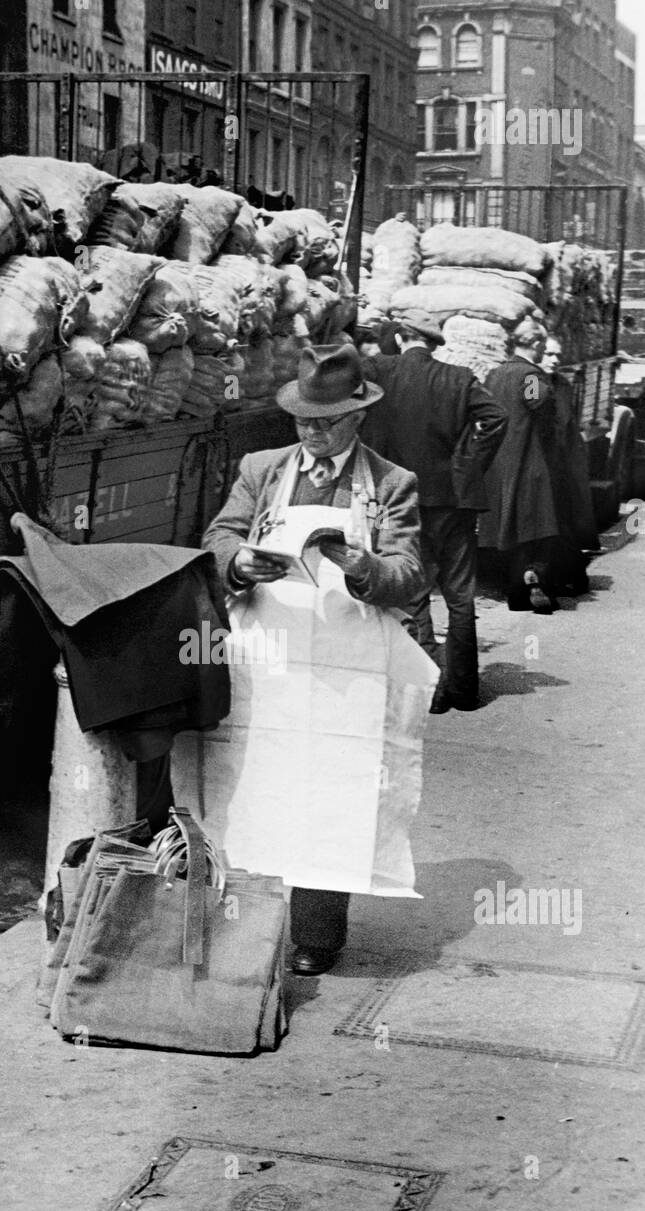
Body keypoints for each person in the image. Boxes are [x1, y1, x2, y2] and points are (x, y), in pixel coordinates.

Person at [199, 342, 434, 976]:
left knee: (333, 790)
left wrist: (366, 568)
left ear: (358, 417)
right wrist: (238, 562)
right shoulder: (263, 468)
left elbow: (409, 573)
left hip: (345, 667)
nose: (313, 432)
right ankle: (243, 918)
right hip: (269, 658)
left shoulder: (390, 484)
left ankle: (316, 935)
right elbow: (220, 533)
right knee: (255, 781)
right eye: (304, 419)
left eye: (326, 421)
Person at [362, 307, 508, 713]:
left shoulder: (381, 371)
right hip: (455, 500)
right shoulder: (458, 378)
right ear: (432, 342)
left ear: (403, 336)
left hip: (402, 498)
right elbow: (497, 417)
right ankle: (462, 690)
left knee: (416, 591)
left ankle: (430, 687)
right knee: (461, 596)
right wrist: (470, 460)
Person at [481, 320, 563, 613]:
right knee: (533, 528)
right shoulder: (529, 376)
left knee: (510, 526)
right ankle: (528, 583)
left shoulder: (495, 374)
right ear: (537, 345)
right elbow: (540, 411)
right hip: (528, 461)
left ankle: (514, 589)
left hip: (498, 461)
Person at [540, 334, 599, 594]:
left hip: (561, 464)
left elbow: (567, 423)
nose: (554, 360)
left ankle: (568, 575)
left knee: (563, 521)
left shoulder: (562, 384)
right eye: (548, 354)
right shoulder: (532, 381)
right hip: (542, 464)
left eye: (557, 355)